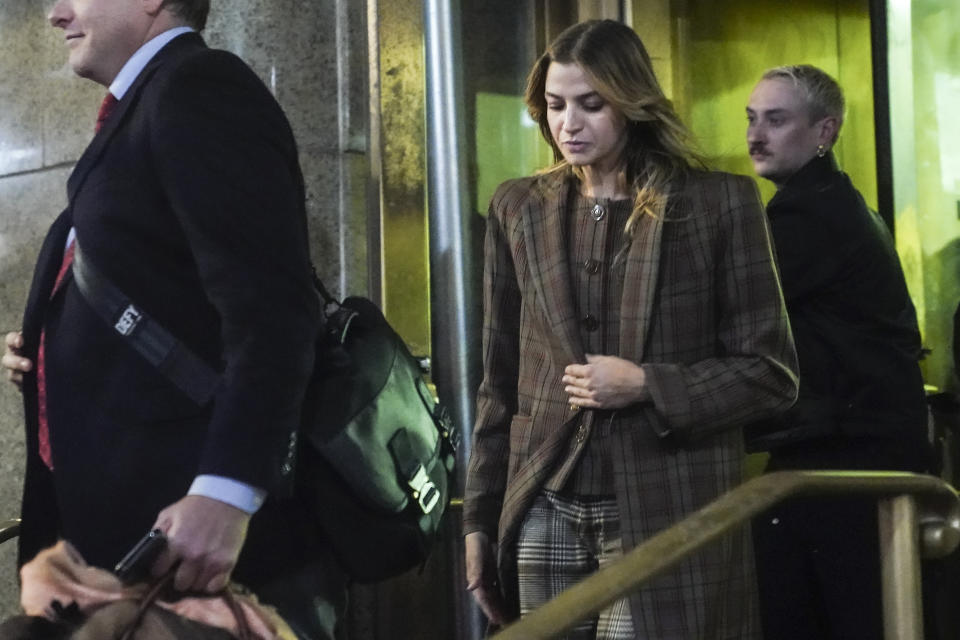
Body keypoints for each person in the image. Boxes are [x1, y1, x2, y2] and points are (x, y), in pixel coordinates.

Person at [2, 1, 344, 638]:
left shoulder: (198, 88)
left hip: (196, 553)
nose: (55, 13)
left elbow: (272, 311)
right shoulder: (148, 105)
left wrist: (226, 491)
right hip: (135, 544)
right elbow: (171, 295)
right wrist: (52, 350)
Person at [462, 19, 799, 640]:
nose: (569, 124)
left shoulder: (719, 204)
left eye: (592, 105)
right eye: (556, 106)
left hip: (668, 506)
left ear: (632, 103)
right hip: (545, 502)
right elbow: (500, 384)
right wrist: (479, 520)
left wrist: (648, 384)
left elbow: (771, 376)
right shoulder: (517, 207)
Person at [745, 64, 931, 640]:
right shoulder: (834, 202)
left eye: (776, 120)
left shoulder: (811, 214)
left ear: (825, 131)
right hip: (849, 456)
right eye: (751, 119)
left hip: (847, 466)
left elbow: (725, 314)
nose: (755, 136)